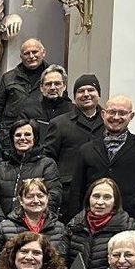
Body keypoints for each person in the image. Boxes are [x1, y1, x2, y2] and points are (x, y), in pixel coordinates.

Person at [70, 95, 135, 241]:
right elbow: (76, 190)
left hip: (129, 223)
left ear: (131, 116)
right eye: (111, 112)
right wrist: (73, 222)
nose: (116, 117)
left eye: (122, 113)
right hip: (91, 224)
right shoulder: (86, 149)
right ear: (103, 114)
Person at [43, 74, 103, 221]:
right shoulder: (59, 123)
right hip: (69, 193)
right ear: (75, 96)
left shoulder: (109, 122)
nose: (86, 94)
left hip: (101, 191)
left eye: (91, 90)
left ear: (99, 95)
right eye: (81, 91)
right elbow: (48, 158)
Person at [66, 178, 135, 269]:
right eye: (96, 196)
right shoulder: (74, 224)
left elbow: (134, 265)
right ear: (88, 199)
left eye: (107, 197)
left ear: (115, 201)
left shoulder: (127, 227)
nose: (100, 202)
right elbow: (63, 262)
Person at [0, 119, 62, 218]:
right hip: (4, 225)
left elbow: (54, 195)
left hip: (35, 225)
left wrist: (38, 219)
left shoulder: (47, 164)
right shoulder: (1, 167)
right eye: (18, 135)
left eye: (27, 134)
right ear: (12, 139)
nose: (22, 138)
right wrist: (0, 220)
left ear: (35, 138)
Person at [0, 177, 69, 260]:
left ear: (47, 198)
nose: (36, 200)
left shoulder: (60, 228)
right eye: (30, 197)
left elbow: (62, 263)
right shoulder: (4, 228)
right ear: (21, 200)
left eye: (40, 196)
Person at [0, 38, 49, 146]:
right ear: (21, 57)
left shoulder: (53, 77)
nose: (31, 56)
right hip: (10, 138)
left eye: (34, 52)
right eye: (26, 53)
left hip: (42, 138)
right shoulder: (8, 78)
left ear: (43, 53)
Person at [20, 64, 75, 140]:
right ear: (41, 88)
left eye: (57, 84)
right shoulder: (29, 110)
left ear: (64, 87)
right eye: (48, 84)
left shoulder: (74, 111)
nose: (52, 88)